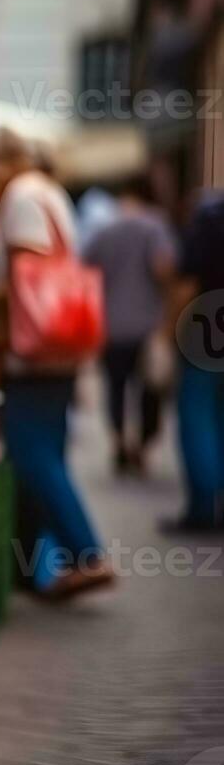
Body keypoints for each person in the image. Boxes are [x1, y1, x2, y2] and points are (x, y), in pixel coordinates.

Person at [0, 128, 112, 599]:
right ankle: (41, 566)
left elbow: (23, 280)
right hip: (58, 349)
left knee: (30, 452)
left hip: (34, 351)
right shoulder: (46, 190)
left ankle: (86, 553)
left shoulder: (22, 196)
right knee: (49, 449)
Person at [83, 176, 176, 475]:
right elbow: (165, 267)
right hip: (147, 325)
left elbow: (84, 269)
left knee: (116, 387)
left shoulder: (105, 230)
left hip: (111, 325)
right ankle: (142, 447)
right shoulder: (155, 226)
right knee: (149, 391)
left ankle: (119, 441)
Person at [171, 189, 224, 532]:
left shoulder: (210, 215)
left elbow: (187, 284)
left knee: (198, 417)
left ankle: (204, 509)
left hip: (209, 326)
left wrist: (168, 331)